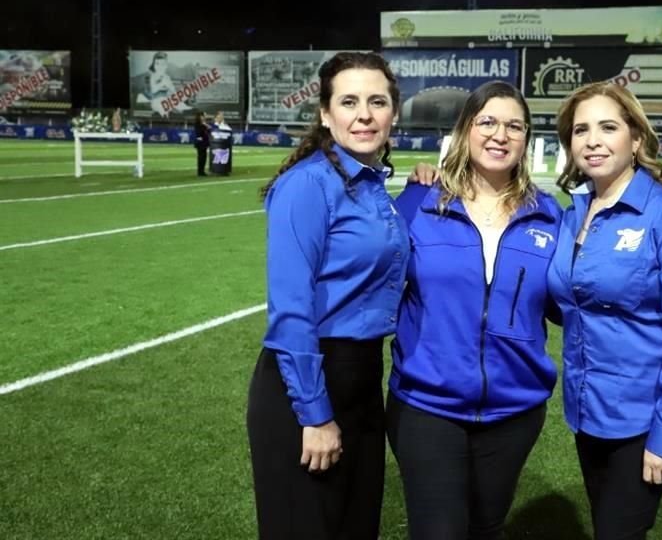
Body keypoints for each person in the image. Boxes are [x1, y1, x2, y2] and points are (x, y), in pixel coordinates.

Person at [388, 81, 564, 540]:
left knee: (487, 527)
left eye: (514, 126)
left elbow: (567, 305)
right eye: (487, 122)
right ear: (466, 129)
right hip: (427, 405)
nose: (499, 135)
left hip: (515, 409)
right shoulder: (418, 202)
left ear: (527, 139)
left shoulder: (549, 215)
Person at [246, 51, 408, 540]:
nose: (364, 114)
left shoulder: (373, 186)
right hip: (306, 388)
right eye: (349, 101)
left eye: (377, 101)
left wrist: (425, 183)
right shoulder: (307, 186)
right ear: (324, 113)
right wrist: (315, 415)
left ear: (393, 113)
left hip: (363, 382)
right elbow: (292, 312)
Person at [546, 82, 662, 540]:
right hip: (588, 409)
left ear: (636, 139)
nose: (592, 140)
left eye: (608, 127)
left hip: (645, 415)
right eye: (580, 130)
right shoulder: (571, 213)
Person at [193, 111, 210, 176]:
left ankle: (202, 171)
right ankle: (200, 172)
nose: (205, 117)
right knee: (201, 157)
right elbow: (199, 133)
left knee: (204, 157)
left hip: (204, 142)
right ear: (200, 116)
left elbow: (209, 130)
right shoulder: (198, 124)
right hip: (200, 143)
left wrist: (206, 125)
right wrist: (204, 126)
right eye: (204, 116)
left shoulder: (203, 123)